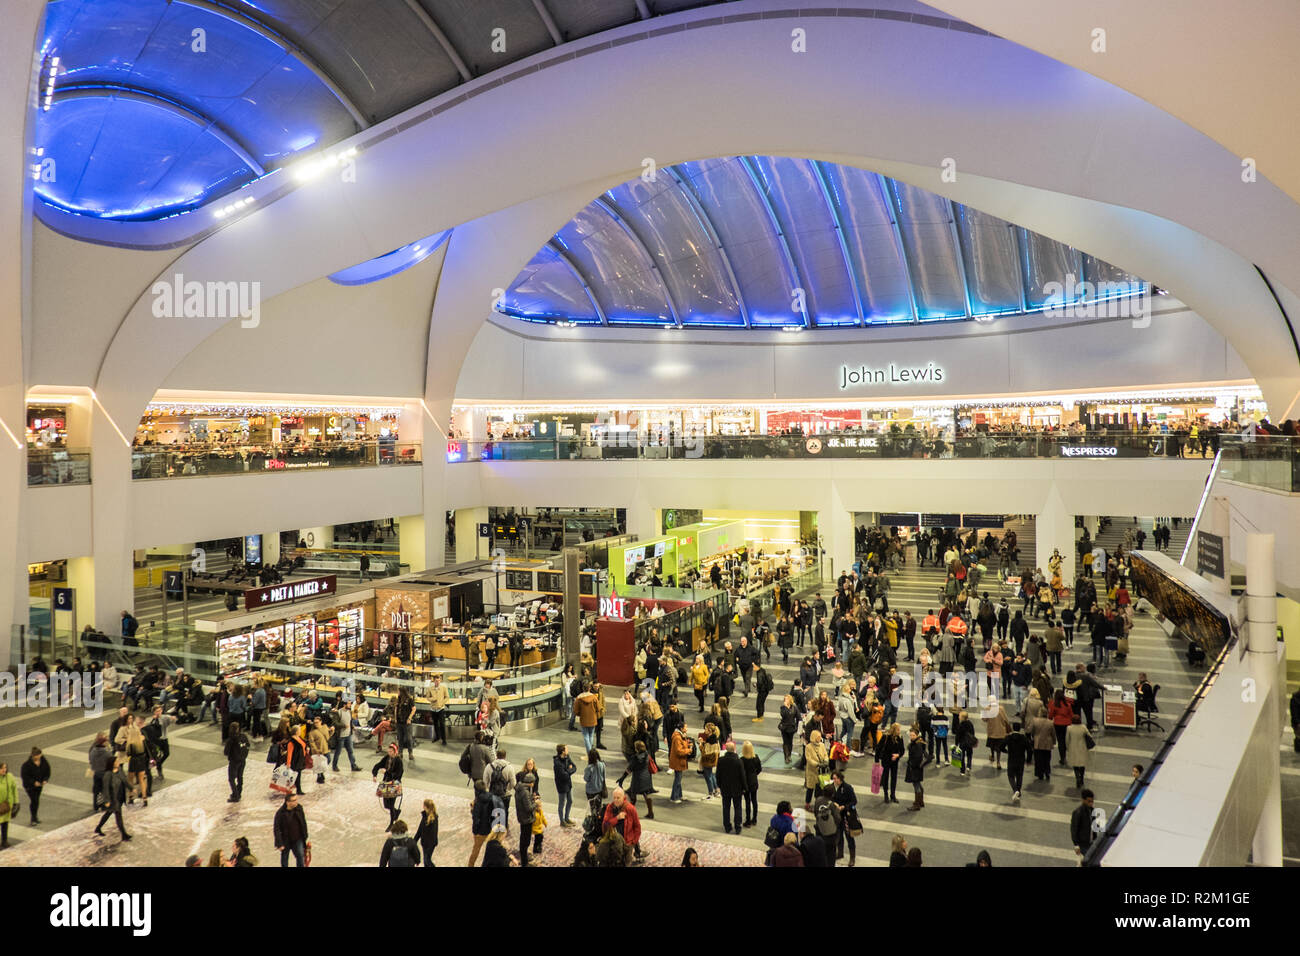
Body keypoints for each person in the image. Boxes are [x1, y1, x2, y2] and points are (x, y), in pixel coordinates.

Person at [92, 755, 132, 843]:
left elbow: (124, 780)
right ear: (112, 764)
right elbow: (105, 789)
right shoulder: (108, 775)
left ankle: (98, 828)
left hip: (120, 796)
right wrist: (107, 801)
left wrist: (131, 788)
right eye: (116, 762)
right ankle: (124, 835)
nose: (118, 763)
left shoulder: (119, 771)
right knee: (118, 816)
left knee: (109, 812)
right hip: (113, 799)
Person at [602, 787, 645, 863]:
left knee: (626, 863)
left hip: (627, 843)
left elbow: (637, 827)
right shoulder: (610, 808)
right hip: (613, 842)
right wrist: (617, 818)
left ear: (623, 797)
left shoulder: (630, 809)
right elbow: (605, 825)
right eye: (614, 798)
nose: (615, 800)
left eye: (618, 798)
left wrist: (633, 841)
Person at [372, 741, 405, 830]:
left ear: (395, 751)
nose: (389, 753)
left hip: (394, 784)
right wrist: (374, 775)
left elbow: (398, 775)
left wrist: (386, 772)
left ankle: (391, 823)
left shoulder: (399, 761)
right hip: (386, 783)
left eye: (391, 752)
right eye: (388, 751)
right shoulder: (387, 758)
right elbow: (378, 765)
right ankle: (396, 812)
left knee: (391, 804)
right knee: (386, 805)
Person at [716, 740, 746, 834]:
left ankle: (727, 826)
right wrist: (744, 787)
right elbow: (742, 776)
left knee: (726, 807)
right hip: (737, 789)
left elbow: (718, 775)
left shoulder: (721, 760)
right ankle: (738, 827)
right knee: (738, 808)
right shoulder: (738, 761)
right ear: (734, 750)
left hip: (725, 788)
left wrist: (719, 785)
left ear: (725, 750)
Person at [273, 793, 310, 867]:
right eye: (293, 800)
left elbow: (303, 822)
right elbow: (277, 829)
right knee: (285, 859)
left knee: (300, 856)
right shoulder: (280, 813)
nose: (296, 802)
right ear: (288, 802)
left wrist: (305, 836)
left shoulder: (299, 808)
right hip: (285, 840)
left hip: (297, 838)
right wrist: (279, 843)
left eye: (296, 800)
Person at [468, 780, 497, 867]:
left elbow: (476, 819)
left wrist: (475, 831)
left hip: (480, 831)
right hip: (491, 829)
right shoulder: (492, 797)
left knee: (475, 851)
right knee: (493, 851)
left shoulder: (478, 802)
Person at [19, 748, 50, 825]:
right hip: (30, 787)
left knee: (36, 801)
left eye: (39, 755)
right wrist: (33, 782)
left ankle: (35, 817)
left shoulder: (43, 762)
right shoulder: (26, 765)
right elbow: (25, 776)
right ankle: (33, 818)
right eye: (36, 756)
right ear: (33, 755)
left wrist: (45, 779)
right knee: (34, 800)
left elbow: (47, 770)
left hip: (39, 785)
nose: (38, 757)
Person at [514, 772, 538, 866]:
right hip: (526, 819)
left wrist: (532, 798)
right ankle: (524, 863)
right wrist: (536, 804)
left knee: (523, 839)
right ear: (531, 782)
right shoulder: (525, 792)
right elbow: (528, 808)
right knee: (525, 842)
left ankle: (525, 861)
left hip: (522, 817)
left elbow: (525, 802)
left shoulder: (520, 789)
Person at [1004, 721, 1030, 804]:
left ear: (1012, 728)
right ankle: (1018, 791)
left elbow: (1001, 746)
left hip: (1011, 759)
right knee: (1019, 776)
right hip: (1020, 760)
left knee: (1010, 775)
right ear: (1020, 729)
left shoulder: (1009, 737)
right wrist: (1028, 760)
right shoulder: (1024, 738)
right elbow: (1030, 750)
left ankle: (1015, 790)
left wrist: (1006, 751)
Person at [1065, 714, 1093, 789]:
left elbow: (1067, 739)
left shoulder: (1069, 728)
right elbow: (1090, 736)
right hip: (1082, 747)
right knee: (1082, 764)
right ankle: (1082, 778)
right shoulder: (1083, 727)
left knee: (1075, 765)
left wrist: (1067, 747)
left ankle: (1077, 777)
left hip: (1073, 748)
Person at [224, 720, 250, 802]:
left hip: (234, 761)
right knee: (240, 777)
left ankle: (235, 795)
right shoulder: (243, 737)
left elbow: (226, 752)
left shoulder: (231, 740)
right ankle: (239, 792)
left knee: (231, 779)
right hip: (242, 760)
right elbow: (248, 746)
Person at [554, 743, 577, 827]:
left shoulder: (567, 757)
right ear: (563, 751)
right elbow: (564, 775)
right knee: (562, 803)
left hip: (568, 783)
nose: (568, 750)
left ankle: (567, 818)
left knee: (570, 800)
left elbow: (574, 767)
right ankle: (562, 821)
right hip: (561, 785)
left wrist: (568, 770)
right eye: (566, 749)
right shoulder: (557, 763)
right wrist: (569, 770)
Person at [668, 721, 692, 803]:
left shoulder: (681, 735)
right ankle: (674, 797)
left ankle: (679, 795)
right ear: (681, 729)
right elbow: (679, 751)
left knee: (679, 779)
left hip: (679, 760)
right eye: (686, 727)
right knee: (677, 779)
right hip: (677, 760)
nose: (687, 728)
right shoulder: (677, 737)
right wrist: (689, 750)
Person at [905, 726, 927, 811]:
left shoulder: (916, 744)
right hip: (918, 767)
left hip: (915, 768)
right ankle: (920, 801)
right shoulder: (919, 742)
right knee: (918, 784)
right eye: (910, 735)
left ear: (917, 735)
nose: (911, 737)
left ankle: (917, 804)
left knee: (916, 785)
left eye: (913, 735)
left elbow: (917, 757)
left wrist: (911, 764)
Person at [740, 740, 762, 828]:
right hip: (753, 781)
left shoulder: (742, 760)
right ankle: (754, 819)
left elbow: (740, 772)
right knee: (754, 800)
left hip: (745, 783)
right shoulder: (756, 758)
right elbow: (759, 769)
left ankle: (748, 820)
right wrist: (754, 774)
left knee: (747, 801)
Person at [803, 729, 828, 804]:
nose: (820, 738)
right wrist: (817, 764)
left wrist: (826, 761)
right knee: (810, 789)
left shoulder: (822, 745)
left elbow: (825, 754)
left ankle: (818, 803)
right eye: (818, 737)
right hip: (812, 771)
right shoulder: (808, 747)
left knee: (820, 789)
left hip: (821, 771)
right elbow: (809, 759)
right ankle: (807, 803)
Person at [1071, 789, 1096, 860]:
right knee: (1089, 860)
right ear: (1083, 800)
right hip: (1083, 843)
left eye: (1092, 801)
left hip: (1091, 841)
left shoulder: (1092, 810)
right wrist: (1076, 845)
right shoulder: (1078, 813)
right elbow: (1074, 829)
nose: (1091, 803)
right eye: (1089, 801)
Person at [0, 763, 18, 849]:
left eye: (5, 768)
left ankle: (4, 841)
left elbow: (15, 789)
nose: (4, 770)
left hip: (7, 806)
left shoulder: (10, 776)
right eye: (2, 768)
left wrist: (16, 802)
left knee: (5, 823)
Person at [584, 748, 607, 812]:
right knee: (599, 807)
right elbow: (604, 776)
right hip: (599, 789)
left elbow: (586, 778)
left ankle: (593, 819)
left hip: (590, 790)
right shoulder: (602, 764)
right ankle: (598, 819)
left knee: (592, 807)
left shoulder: (589, 768)